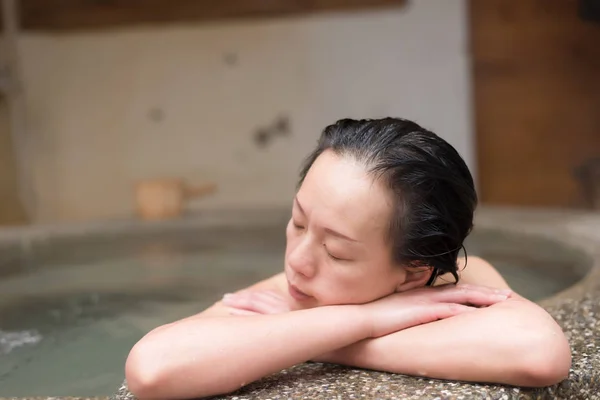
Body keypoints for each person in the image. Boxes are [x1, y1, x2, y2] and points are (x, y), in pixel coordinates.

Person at [125, 118, 571, 400]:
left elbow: (540, 356)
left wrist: (325, 340)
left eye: (336, 251)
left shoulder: (450, 284)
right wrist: (366, 320)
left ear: (412, 273)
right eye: (299, 222)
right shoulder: (282, 294)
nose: (298, 261)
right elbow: (152, 370)